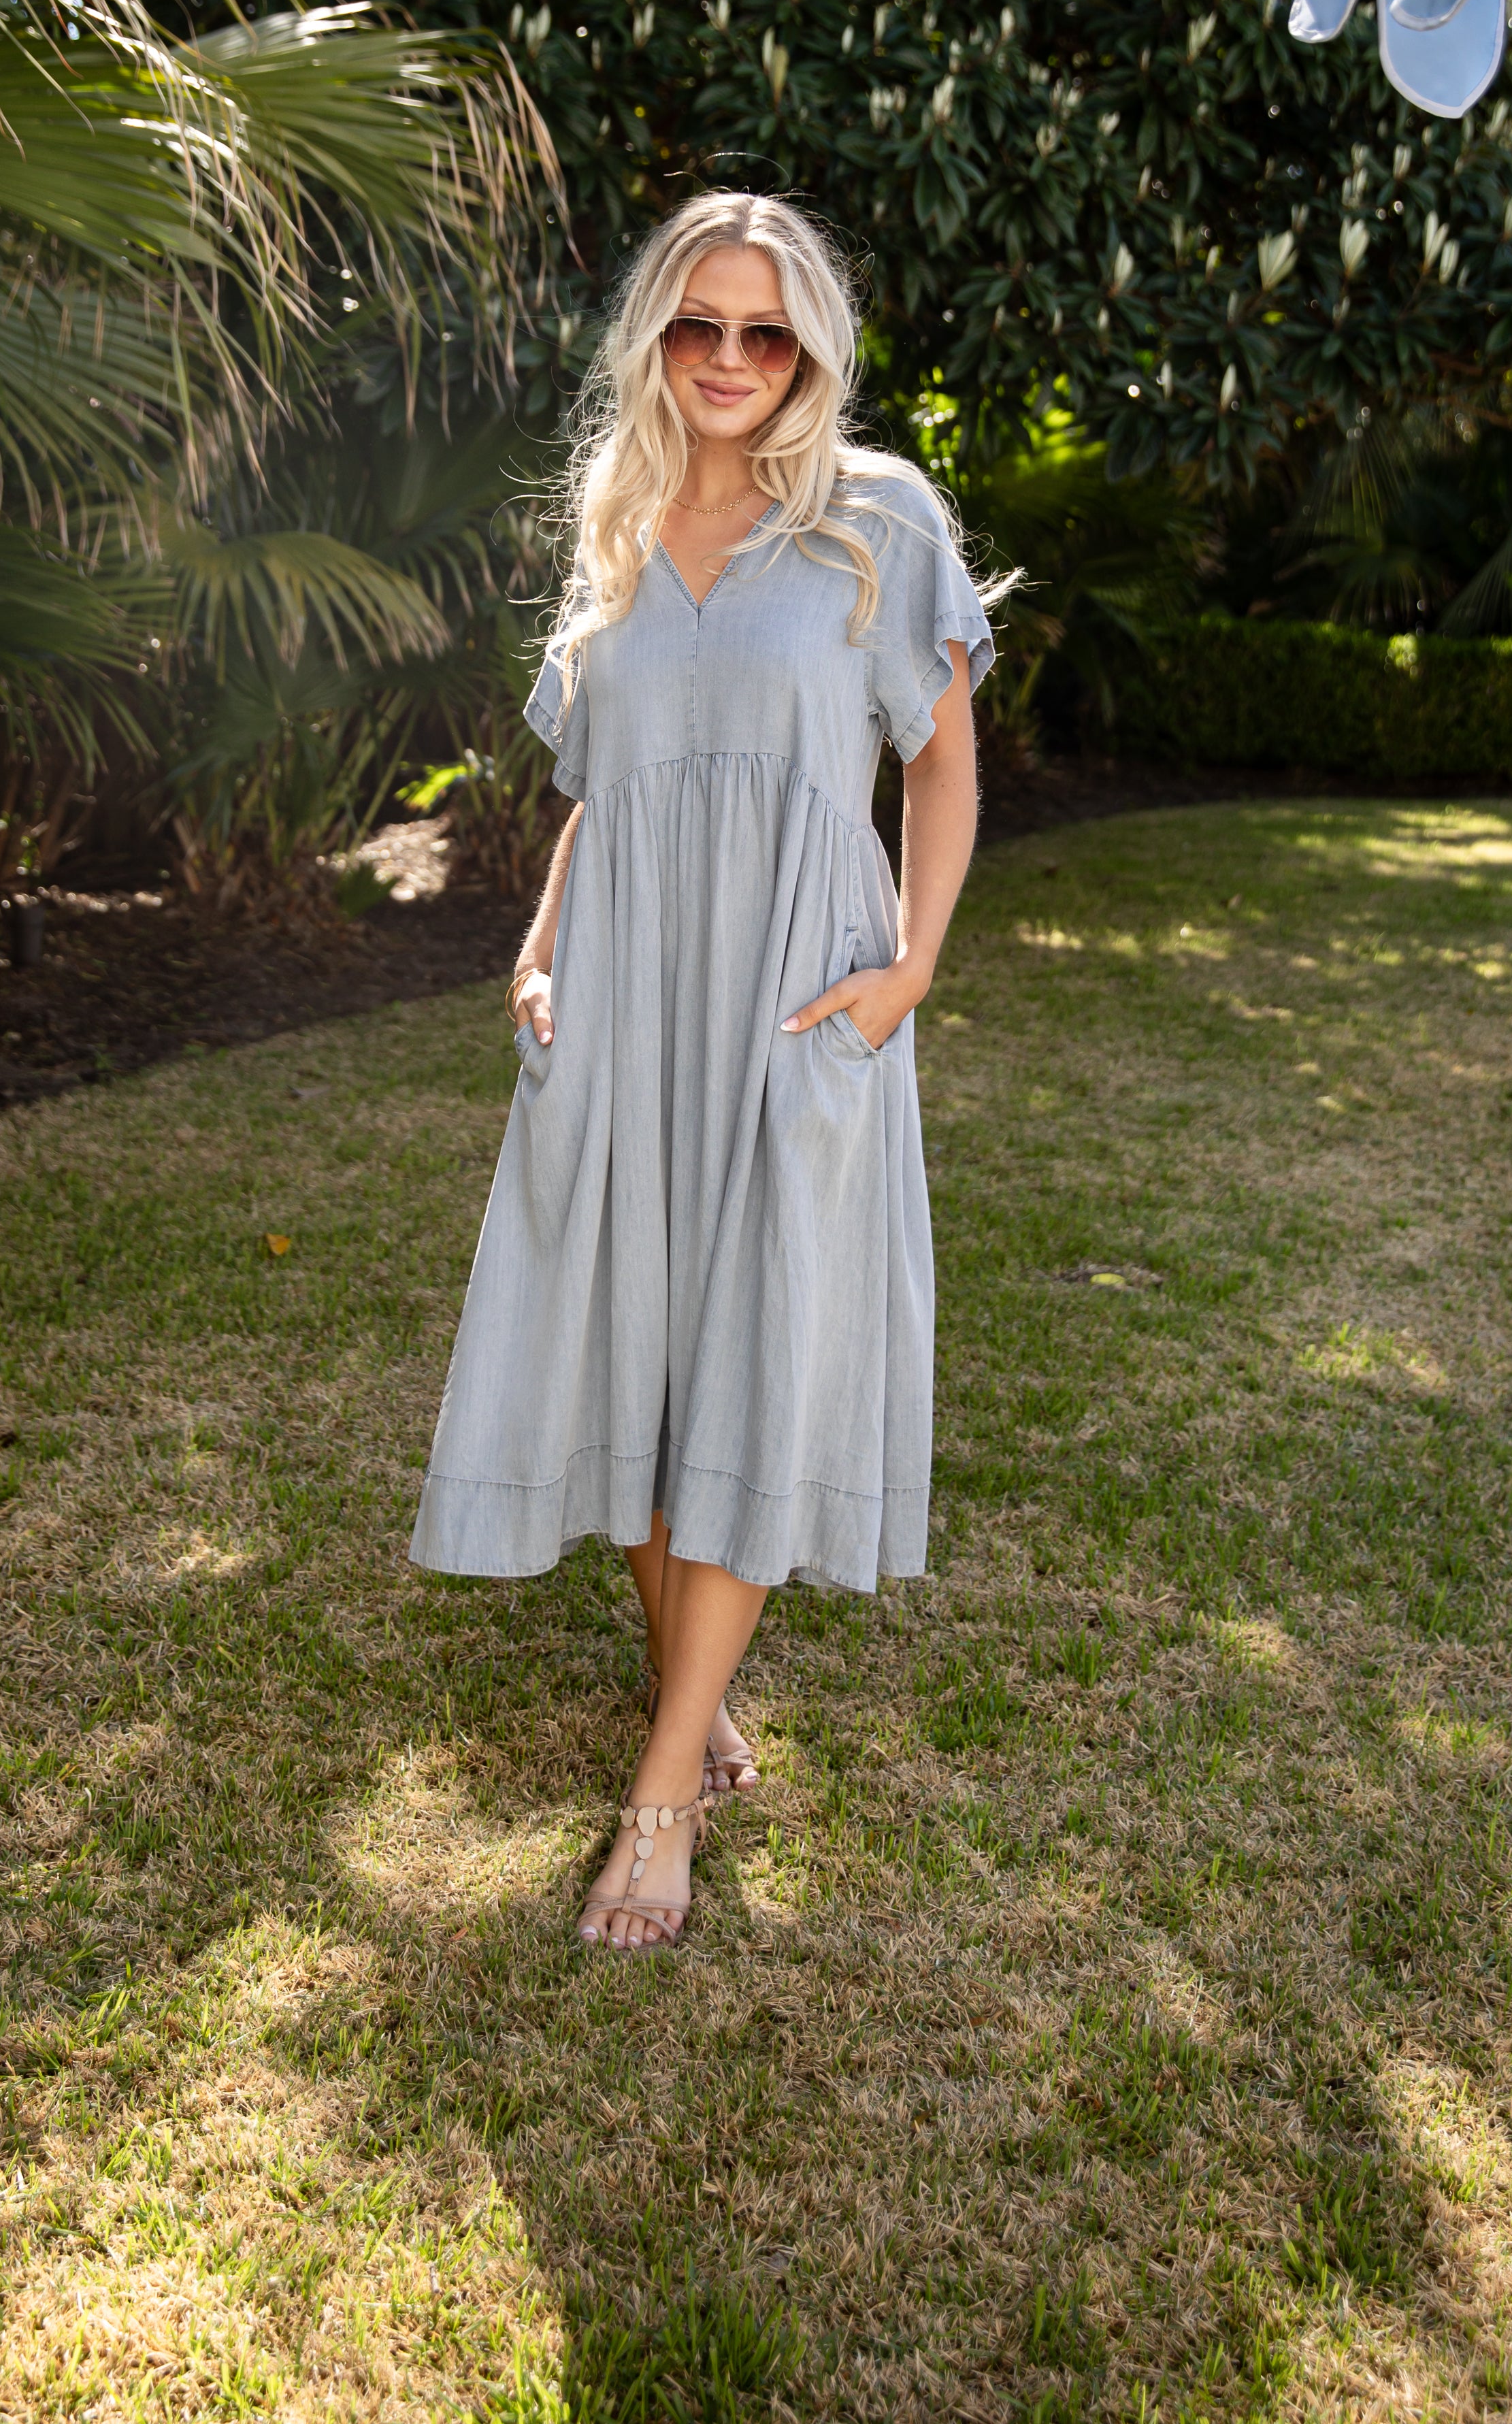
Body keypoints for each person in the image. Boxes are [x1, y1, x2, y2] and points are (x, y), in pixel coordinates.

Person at [409, 190, 1001, 1949]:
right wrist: (531, 947)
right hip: (619, 986)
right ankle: (698, 1688)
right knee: (626, 1351)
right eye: (698, 328)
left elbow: (944, 765)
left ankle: (660, 1797)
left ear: (810, 350)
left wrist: (909, 968)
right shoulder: (608, 530)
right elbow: (599, 795)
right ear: (652, 341)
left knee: (748, 1355)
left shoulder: (876, 521)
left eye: (768, 334)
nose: (733, 362)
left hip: (795, 994)